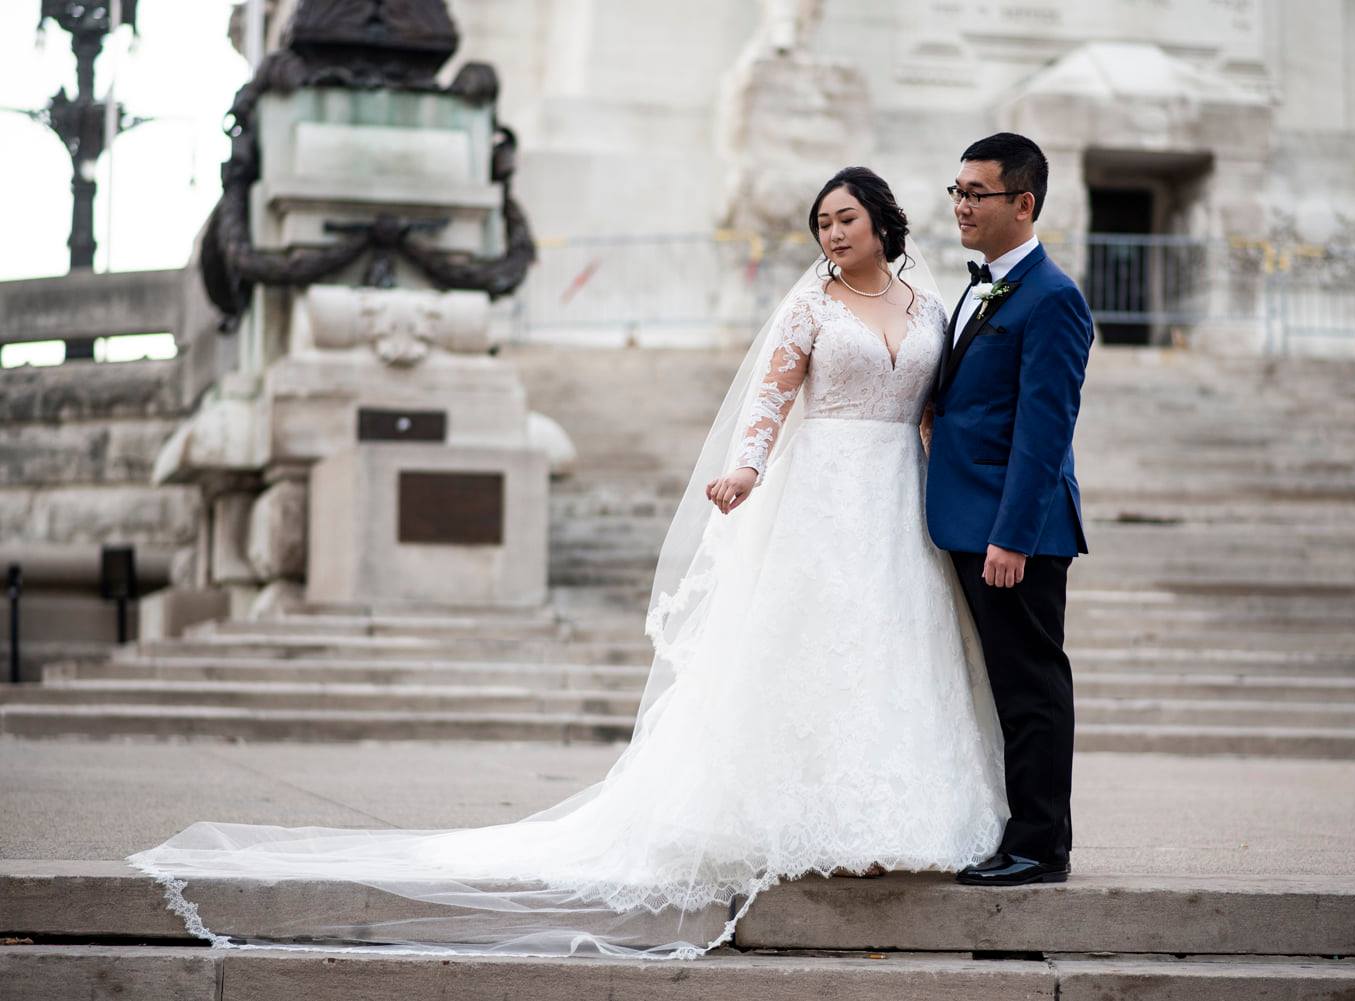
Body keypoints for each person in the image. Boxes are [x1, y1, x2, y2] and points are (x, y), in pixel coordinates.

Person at [127, 166, 1008, 960]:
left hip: (900, 497)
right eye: (821, 222)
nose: (831, 233)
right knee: (810, 649)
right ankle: (804, 821)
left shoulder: (929, 307)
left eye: (845, 218)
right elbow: (771, 394)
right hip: (818, 494)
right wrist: (744, 466)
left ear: (885, 223)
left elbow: (934, 408)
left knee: (893, 650)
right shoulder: (809, 306)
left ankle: (894, 823)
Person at [926, 132, 1094, 887]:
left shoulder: (1054, 298)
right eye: (956, 190)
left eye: (976, 193)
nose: (961, 205)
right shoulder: (981, 284)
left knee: (1031, 686)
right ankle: (1013, 828)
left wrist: (1012, 537)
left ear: (1023, 203)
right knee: (1003, 682)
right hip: (968, 519)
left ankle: (1040, 845)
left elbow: (1044, 431)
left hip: (1012, 533)